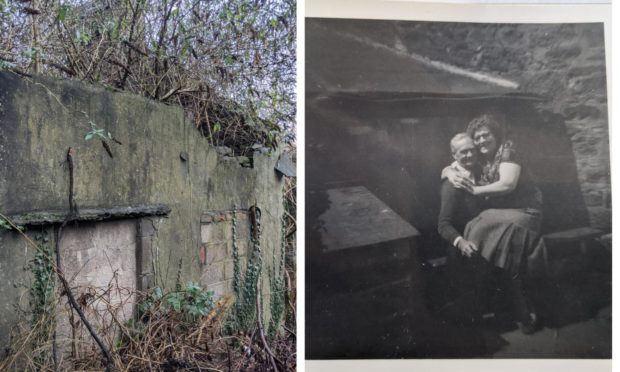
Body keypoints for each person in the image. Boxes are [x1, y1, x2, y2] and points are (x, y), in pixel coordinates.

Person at [443, 114, 544, 334]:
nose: (480, 141)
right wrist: (448, 172)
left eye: (485, 135)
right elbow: (456, 161)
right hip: (503, 215)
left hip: (526, 212)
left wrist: (474, 190)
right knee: (477, 224)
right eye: (476, 138)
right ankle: (488, 301)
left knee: (480, 225)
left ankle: (482, 298)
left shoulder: (508, 150)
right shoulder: (481, 158)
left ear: (495, 134)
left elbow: (507, 184)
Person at [437, 133, 488, 323]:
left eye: (471, 150)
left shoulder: (481, 172)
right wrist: (462, 243)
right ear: (454, 156)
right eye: (463, 152)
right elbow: (443, 225)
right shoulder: (452, 184)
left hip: (483, 238)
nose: (469, 155)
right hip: (462, 246)